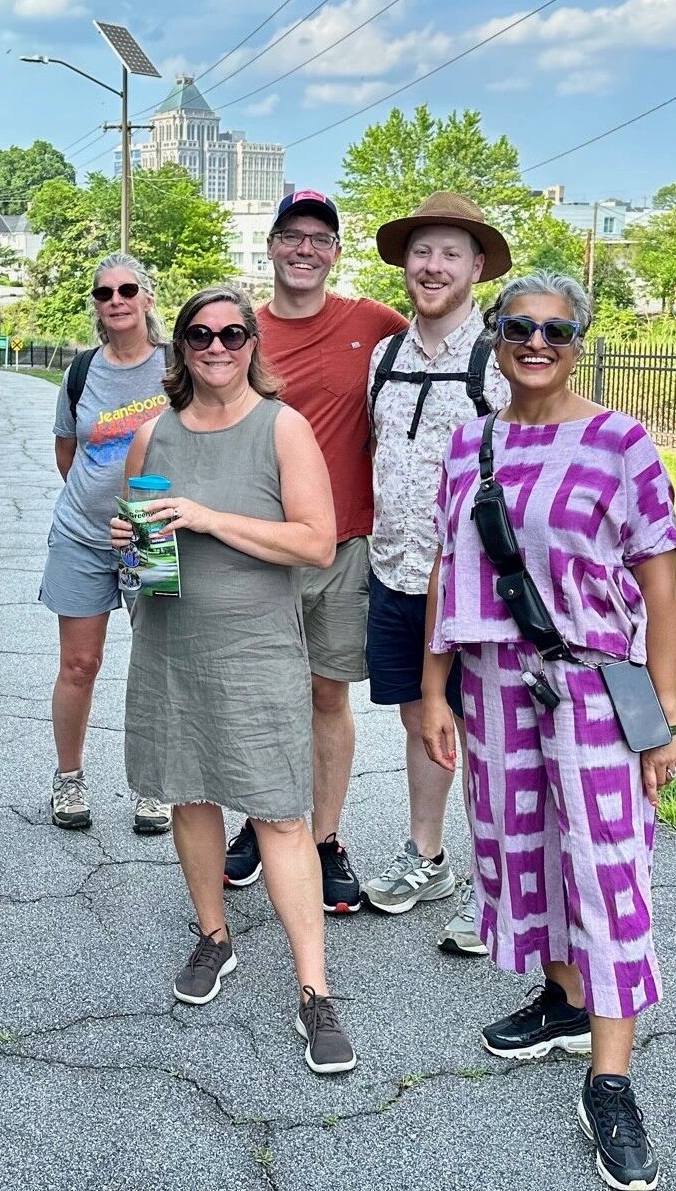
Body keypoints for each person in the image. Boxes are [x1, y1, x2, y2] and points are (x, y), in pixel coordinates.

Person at [418, 271, 676, 1191]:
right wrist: (433, 685)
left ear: (581, 341)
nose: (537, 342)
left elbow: (659, 583)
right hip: (495, 682)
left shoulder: (621, 442)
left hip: (599, 685)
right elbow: (452, 565)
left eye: (558, 330)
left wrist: (665, 715)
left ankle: (611, 1080)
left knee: (610, 866)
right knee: (521, 849)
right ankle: (565, 1003)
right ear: (494, 335)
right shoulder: (472, 443)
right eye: (520, 327)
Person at [112, 285, 356, 1074]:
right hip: (172, 644)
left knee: (282, 815)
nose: (217, 347)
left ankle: (314, 990)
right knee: (190, 792)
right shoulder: (152, 435)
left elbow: (317, 544)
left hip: (256, 649)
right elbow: (147, 551)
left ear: (254, 343)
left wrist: (209, 516)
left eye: (233, 334)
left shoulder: (282, 428)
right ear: (179, 347)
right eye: (199, 334)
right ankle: (213, 937)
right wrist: (132, 538)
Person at [233, 190, 407, 913]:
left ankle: (326, 838)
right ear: (271, 247)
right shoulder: (238, 331)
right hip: (254, 549)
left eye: (320, 239)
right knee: (259, 699)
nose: (305, 249)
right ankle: (263, 817)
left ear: (336, 252)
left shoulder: (371, 323)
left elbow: (443, 351)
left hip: (340, 546)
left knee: (327, 694)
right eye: (292, 236)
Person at [360, 194, 511, 948]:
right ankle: (428, 857)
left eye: (451, 253)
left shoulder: (502, 360)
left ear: (477, 267)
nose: (433, 266)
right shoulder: (385, 359)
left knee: (489, 734)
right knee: (421, 718)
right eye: (422, 252)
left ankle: (501, 890)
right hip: (396, 573)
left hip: (477, 593)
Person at [41, 252, 172, 836]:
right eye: (103, 293)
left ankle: (155, 785)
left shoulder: (179, 365)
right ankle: (68, 779)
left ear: (147, 297)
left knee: (157, 663)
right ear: (95, 305)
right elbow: (68, 454)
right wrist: (98, 503)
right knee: (79, 663)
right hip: (82, 535)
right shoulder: (82, 371)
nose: (115, 300)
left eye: (127, 290)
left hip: (155, 535)